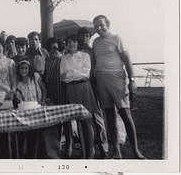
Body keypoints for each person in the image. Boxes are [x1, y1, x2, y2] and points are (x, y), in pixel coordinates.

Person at [92, 15, 146, 159]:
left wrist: (132, 80)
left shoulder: (117, 39)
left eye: (101, 25)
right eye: (96, 26)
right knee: (109, 115)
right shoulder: (95, 42)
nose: (99, 28)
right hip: (101, 79)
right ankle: (116, 151)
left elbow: (128, 61)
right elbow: (95, 62)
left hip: (117, 78)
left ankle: (136, 151)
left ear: (107, 24)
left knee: (125, 114)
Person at [60, 34, 99, 159]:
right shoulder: (64, 58)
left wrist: (70, 73)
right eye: (69, 42)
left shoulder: (85, 56)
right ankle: (81, 152)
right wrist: (73, 74)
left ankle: (89, 153)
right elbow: (63, 77)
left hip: (84, 88)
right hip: (70, 89)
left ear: (78, 43)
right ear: (67, 44)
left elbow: (85, 73)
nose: (72, 44)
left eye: (74, 42)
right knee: (75, 121)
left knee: (87, 122)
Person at [77, 27, 109, 159]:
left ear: (89, 37)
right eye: (82, 36)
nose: (84, 38)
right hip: (81, 88)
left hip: (93, 86)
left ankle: (104, 148)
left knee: (98, 118)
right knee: (84, 119)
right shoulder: (75, 52)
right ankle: (88, 150)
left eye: (86, 36)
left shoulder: (93, 51)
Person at [43, 37, 72, 159]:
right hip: (52, 93)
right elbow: (45, 76)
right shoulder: (49, 60)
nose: (52, 50)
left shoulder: (64, 59)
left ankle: (69, 146)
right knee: (55, 121)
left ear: (60, 47)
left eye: (55, 47)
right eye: (50, 48)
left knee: (66, 120)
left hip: (63, 92)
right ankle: (58, 146)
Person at [15, 59, 47, 158]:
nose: (23, 70)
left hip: (36, 108)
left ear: (29, 69)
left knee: (36, 133)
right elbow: (17, 100)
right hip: (24, 111)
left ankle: (37, 155)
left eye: (26, 68)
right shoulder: (18, 83)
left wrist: (43, 101)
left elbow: (44, 90)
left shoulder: (35, 77)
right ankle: (27, 155)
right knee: (26, 134)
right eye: (21, 68)